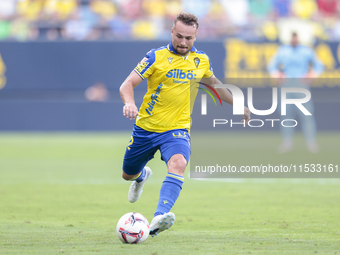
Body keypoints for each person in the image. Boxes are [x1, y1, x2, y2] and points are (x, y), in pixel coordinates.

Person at [119, 12, 250, 237]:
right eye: (179, 36)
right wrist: (129, 103)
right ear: (172, 32)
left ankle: (159, 217)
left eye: (189, 38)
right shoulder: (155, 57)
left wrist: (238, 103)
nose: (183, 42)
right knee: (127, 175)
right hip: (147, 128)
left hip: (177, 129)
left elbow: (215, 84)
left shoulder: (201, 61)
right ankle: (141, 176)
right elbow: (127, 84)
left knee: (179, 163)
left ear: (196, 36)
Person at [268, 32, 324, 153]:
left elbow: (319, 65)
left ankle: (311, 142)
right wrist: (277, 75)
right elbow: (271, 65)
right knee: (286, 114)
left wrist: (311, 75)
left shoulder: (306, 51)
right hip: (286, 84)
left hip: (301, 84)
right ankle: (287, 142)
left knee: (307, 114)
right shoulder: (283, 50)